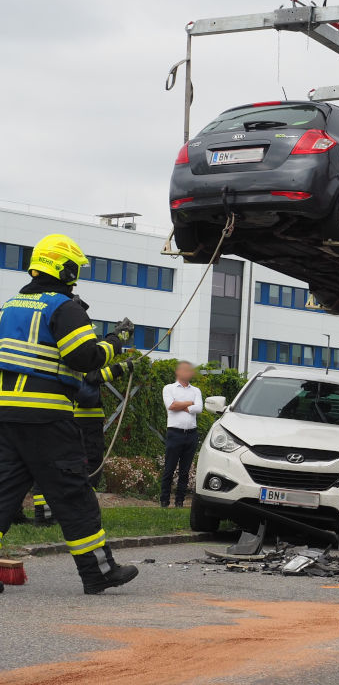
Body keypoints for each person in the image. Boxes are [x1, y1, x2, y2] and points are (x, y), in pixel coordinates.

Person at [0, 233, 139, 594]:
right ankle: (98, 572)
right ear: (64, 267)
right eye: (74, 267)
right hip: (47, 416)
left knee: (3, 492)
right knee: (74, 495)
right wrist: (114, 343)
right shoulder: (64, 307)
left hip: (6, 415)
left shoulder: (9, 305)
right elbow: (84, 358)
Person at [75, 358, 136, 490]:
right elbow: (95, 377)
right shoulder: (82, 360)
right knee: (92, 460)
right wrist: (122, 367)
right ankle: (87, 494)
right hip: (85, 422)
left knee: (87, 459)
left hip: (83, 420)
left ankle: (86, 493)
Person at [160, 361, 202, 508]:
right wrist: (190, 403)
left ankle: (180, 502)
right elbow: (171, 406)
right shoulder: (169, 388)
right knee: (169, 469)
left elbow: (199, 408)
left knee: (185, 471)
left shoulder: (196, 390)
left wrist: (182, 405)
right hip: (174, 433)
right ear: (178, 372)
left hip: (191, 434)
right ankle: (164, 501)